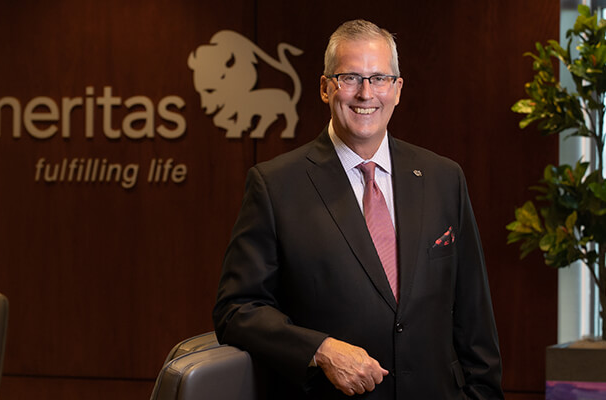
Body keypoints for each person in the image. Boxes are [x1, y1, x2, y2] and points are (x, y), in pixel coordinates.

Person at [213, 19, 503, 399]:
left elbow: (474, 314)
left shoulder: (443, 178)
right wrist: (320, 349)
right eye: (349, 77)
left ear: (398, 90)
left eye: (379, 78)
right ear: (324, 88)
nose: (366, 94)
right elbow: (237, 310)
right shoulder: (276, 185)